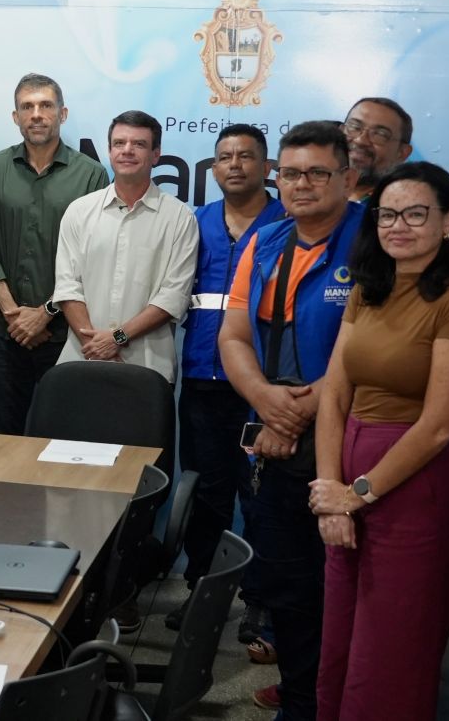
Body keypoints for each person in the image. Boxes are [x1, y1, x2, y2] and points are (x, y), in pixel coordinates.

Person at [308, 162, 449, 720]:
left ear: (448, 222)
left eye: (415, 214)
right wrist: (330, 492)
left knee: (390, 652)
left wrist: (357, 494)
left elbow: (438, 425)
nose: (398, 226)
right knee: (339, 645)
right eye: (387, 215)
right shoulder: (367, 290)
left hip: (409, 488)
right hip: (346, 481)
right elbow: (334, 395)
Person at [218, 121, 364, 720]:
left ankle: (346, 702)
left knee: (348, 588)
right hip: (276, 442)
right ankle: (301, 704)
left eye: (317, 173)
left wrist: (300, 410)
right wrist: (266, 401)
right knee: (289, 589)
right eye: (291, 173)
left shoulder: (374, 241)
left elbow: (379, 350)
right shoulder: (266, 241)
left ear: (347, 178)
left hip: (353, 445)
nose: (301, 184)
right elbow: (233, 336)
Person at [173, 124, 284, 645]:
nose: (234, 165)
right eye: (224, 157)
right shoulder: (195, 222)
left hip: (264, 386)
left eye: (245, 156)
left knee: (262, 496)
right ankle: (201, 591)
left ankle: (261, 602)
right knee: (205, 493)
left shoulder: (288, 223)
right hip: (202, 378)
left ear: (267, 167)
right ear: (213, 168)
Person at [0, 72, 109, 435]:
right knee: (3, 439)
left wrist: (44, 313)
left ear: (62, 114)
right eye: (27, 107)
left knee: (64, 437)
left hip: (65, 333)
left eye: (45, 105)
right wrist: (15, 315)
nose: (36, 114)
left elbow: (90, 259)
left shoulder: (91, 175)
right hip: (4, 333)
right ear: (15, 116)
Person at [52, 110, 198, 379]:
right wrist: (97, 348)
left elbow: (173, 296)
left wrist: (117, 338)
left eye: (139, 144)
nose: (127, 150)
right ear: (109, 151)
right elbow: (67, 286)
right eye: (119, 143)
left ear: (156, 155)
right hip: (81, 361)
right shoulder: (79, 211)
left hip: (148, 370)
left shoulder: (180, 218)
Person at [341, 97, 413, 201]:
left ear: (402, 153)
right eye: (355, 127)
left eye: (380, 134)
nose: (360, 140)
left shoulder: (398, 206)